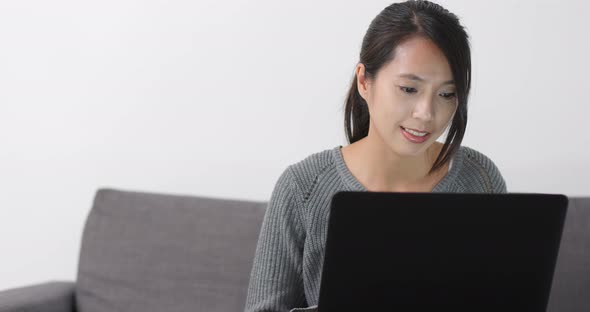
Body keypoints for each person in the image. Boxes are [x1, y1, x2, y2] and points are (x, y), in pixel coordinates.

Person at [245, 1, 507, 311]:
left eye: (447, 94)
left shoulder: (480, 178)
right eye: (409, 89)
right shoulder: (304, 188)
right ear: (364, 81)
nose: (426, 114)